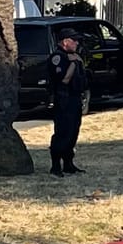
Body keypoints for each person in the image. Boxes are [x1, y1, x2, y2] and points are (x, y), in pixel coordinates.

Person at [48, 28, 88, 176]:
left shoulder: (74, 56)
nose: (77, 43)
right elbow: (64, 79)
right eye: (73, 40)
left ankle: (69, 163)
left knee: (73, 132)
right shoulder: (58, 57)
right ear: (65, 41)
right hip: (63, 99)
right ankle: (56, 166)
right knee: (63, 132)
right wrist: (72, 64)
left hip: (75, 98)